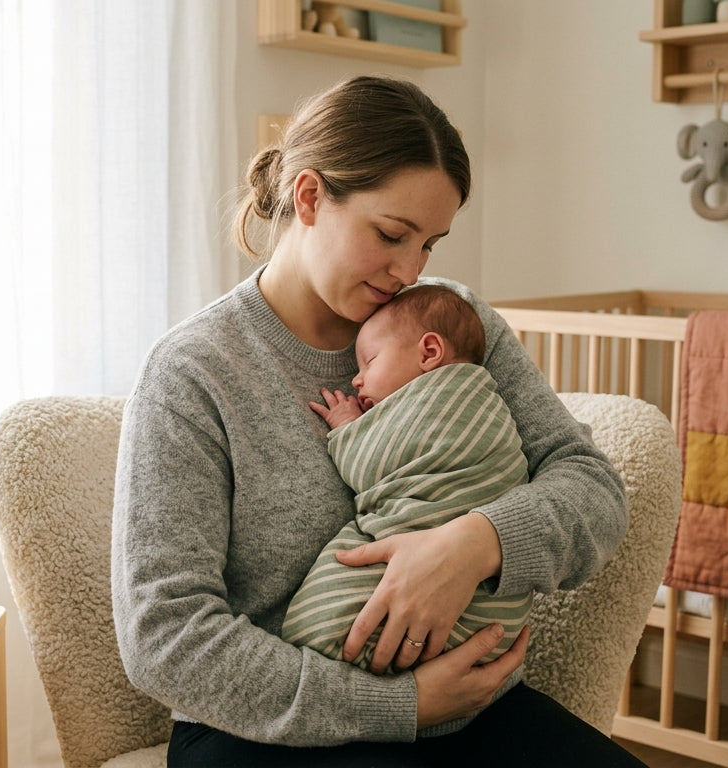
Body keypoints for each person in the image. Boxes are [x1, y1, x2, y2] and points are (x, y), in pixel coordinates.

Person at [111, 75, 645, 767]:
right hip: (263, 732)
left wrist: (475, 544)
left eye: (430, 243)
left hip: (473, 712)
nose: (409, 269)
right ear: (308, 197)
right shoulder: (194, 371)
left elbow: (594, 492)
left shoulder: (451, 324)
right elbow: (164, 637)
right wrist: (399, 705)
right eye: (392, 234)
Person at [281, 285, 532, 672]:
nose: (357, 381)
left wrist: (349, 427)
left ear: (429, 353)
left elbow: (370, 467)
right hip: (498, 625)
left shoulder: (444, 400)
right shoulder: (478, 396)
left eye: (369, 362)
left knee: (316, 623)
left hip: (471, 596)